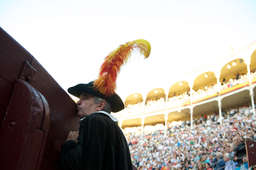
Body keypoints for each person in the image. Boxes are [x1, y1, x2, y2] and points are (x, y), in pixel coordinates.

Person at [59, 39, 151, 170]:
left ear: (100, 106)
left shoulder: (94, 121)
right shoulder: (116, 132)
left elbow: (78, 165)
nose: (78, 102)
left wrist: (69, 144)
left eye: (85, 98)